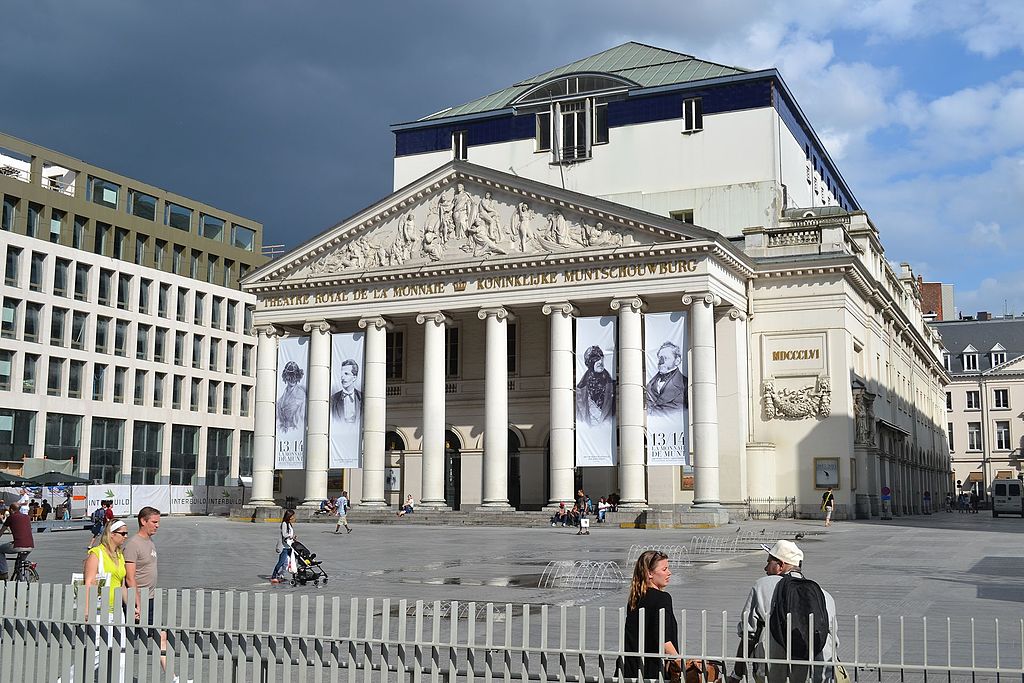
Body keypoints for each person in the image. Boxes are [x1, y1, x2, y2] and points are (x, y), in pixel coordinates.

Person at [729, 540, 838, 683]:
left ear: (780, 565)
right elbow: (834, 642)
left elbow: (749, 635)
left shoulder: (763, 585)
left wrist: (736, 675)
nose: (765, 568)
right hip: (816, 675)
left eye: (769, 562)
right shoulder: (824, 595)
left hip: (773, 673)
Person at [83, 519, 133, 682]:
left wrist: (132, 606)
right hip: (99, 611)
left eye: (127, 533)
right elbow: (89, 582)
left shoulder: (120, 554)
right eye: (123, 533)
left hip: (117, 612)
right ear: (112, 534)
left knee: (120, 655)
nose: (126, 536)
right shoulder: (96, 553)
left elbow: (122, 585)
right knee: (95, 656)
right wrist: (87, 610)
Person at [622, 550, 681, 680]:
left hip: (630, 669)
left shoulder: (634, 599)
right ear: (649, 573)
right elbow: (663, 639)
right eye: (664, 569)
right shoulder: (662, 598)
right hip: (653, 671)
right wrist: (680, 663)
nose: (669, 573)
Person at [123, 507, 167, 674]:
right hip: (137, 601)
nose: (157, 526)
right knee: (126, 641)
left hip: (150, 598)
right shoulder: (134, 544)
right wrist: (137, 603)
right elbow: (129, 577)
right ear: (143, 521)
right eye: (154, 522)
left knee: (161, 636)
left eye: (158, 522)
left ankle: (172, 676)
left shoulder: (149, 541)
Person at [646, 341, 689, 415]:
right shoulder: (650, 384)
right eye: (660, 358)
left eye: (666, 358)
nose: (661, 362)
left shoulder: (685, 384)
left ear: (677, 361)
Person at [575, 345, 615, 425]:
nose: (600, 362)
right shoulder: (580, 389)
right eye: (596, 359)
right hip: (587, 435)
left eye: (601, 358)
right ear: (589, 362)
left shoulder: (612, 385)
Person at [0, 503, 34, 580]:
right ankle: (20, 581)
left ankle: (3, 572)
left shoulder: (11, 518)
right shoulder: (27, 517)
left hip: (18, 545)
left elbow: (1, 531)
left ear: (11, 510)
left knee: (0, 550)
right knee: (20, 564)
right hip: (30, 546)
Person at [276, 361, 306, 432]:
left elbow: (300, 422)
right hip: (282, 433)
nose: (292, 380)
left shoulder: (300, 394)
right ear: (286, 377)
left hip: (295, 433)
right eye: (290, 377)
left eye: (294, 377)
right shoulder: (282, 398)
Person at [330, 359, 363, 423]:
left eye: (346, 374)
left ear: (354, 378)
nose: (342, 378)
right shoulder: (333, 399)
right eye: (342, 374)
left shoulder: (363, 398)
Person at [271, 509, 296, 584]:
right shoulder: (284, 524)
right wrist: (290, 536)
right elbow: (284, 534)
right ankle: (274, 576)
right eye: (292, 516)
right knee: (281, 562)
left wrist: (293, 538)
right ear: (289, 516)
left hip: (289, 546)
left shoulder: (289, 524)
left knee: (287, 563)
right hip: (284, 547)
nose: (294, 517)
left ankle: (281, 575)